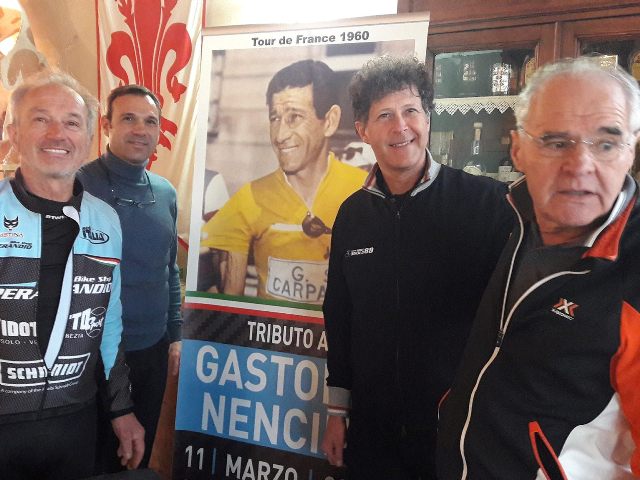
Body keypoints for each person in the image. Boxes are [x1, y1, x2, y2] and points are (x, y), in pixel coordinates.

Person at [436, 57, 640, 479]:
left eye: (606, 144)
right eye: (556, 142)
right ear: (518, 150)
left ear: (631, 150)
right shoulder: (518, 217)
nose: (580, 164)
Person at [321, 55, 515, 479]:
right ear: (363, 131)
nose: (401, 127)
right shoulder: (352, 215)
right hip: (372, 429)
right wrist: (337, 411)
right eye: (385, 115)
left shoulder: (485, 203)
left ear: (428, 118)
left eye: (411, 110)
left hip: (456, 429)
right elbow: (339, 315)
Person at [0, 71, 144, 479]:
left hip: (73, 424)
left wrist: (122, 409)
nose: (57, 134)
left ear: (88, 138)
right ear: (14, 133)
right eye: (40, 119)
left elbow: (108, 323)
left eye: (71, 122)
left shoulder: (106, 220)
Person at [200, 59, 366, 304]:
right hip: (271, 330)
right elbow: (228, 305)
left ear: (330, 121)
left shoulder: (364, 192)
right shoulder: (249, 198)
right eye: (274, 118)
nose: (280, 136)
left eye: (294, 117)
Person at [77, 84, 182, 471]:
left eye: (150, 121)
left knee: (136, 458)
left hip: (152, 350)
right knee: (94, 460)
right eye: (129, 119)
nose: (140, 130)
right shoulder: (77, 186)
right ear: (106, 125)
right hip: (91, 357)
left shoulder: (165, 193)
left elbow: (169, 269)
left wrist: (175, 334)